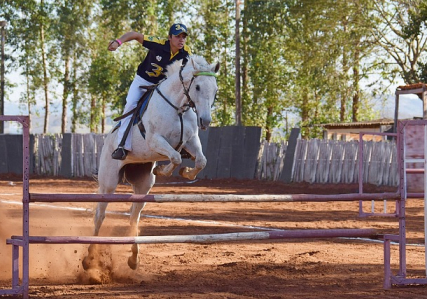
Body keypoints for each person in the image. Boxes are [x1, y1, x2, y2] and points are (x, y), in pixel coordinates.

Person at [108, 23, 192, 160]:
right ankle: (122, 146)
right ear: (170, 37)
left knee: (181, 104)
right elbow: (134, 35)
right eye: (177, 36)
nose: (181, 40)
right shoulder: (158, 44)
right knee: (130, 104)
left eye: (184, 37)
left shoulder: (186, 53)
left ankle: (182, 144)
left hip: (162, 85)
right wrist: (118, 42)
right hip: (143, 81)